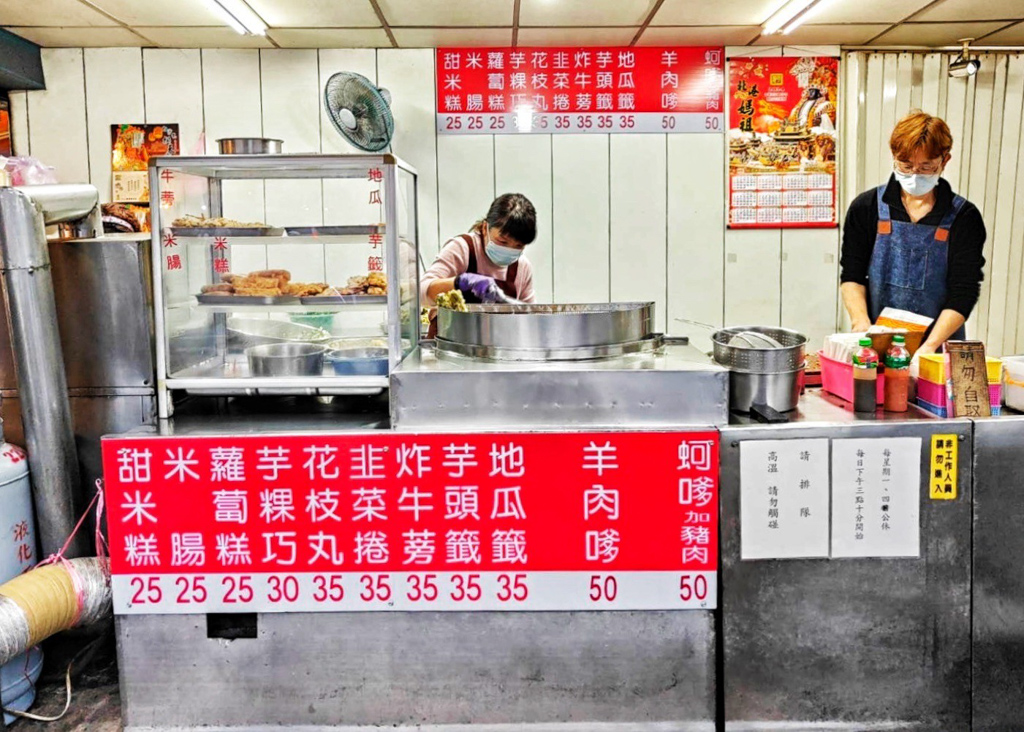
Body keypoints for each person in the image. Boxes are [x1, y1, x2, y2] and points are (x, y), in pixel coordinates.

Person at [840, 111, 986, 356]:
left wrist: (928, 347)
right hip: (878, 344)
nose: (914, 175)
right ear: (894, 158)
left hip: (938, 349)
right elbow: (852, 276)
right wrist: (860, 323)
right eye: (906, 166)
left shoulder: (964, 217)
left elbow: (964, 291)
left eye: (926, 167)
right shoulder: (866, 208)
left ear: (944, 161)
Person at [421, 193, 536, 306]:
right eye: (502, 241)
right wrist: (458, 283)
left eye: (518, 246)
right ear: (485, 228)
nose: (509, 249)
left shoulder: (522, 266)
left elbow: (528, 315)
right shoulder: (462, 249)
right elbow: (421, 293)